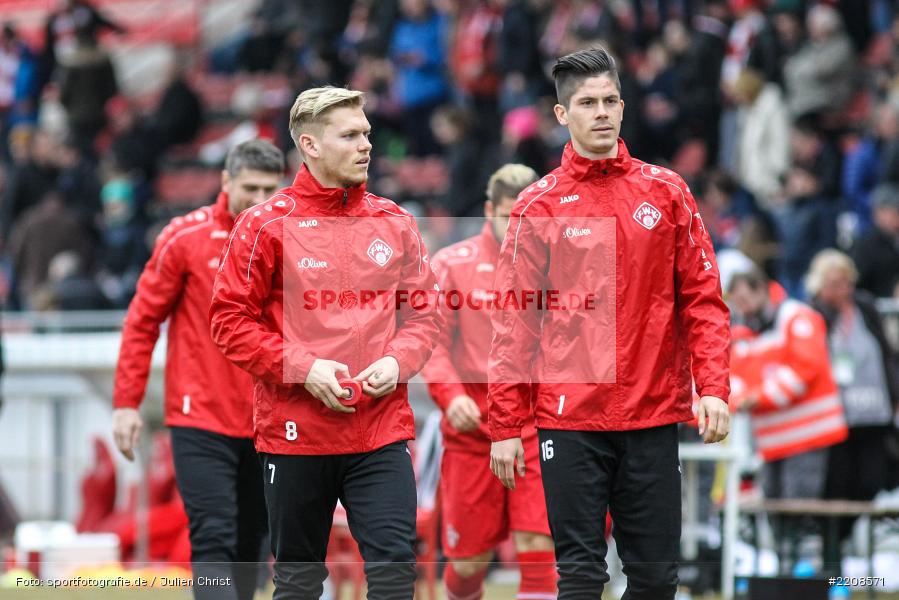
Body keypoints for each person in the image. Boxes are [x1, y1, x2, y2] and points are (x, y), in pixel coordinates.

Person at [487, 47, 731, 600]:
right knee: (580, 576)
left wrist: (712, 387)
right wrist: (505, 426)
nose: (601, 112)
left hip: (651, 416)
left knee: (655, 580)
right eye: (586, 102)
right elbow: (514, 326)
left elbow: (704, 300)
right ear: (561, 115)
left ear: (623, 106)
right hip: (569, 420)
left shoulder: (667, 192)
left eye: (610, 100)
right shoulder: (537, 207)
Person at [209, 86, 442, 600]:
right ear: (310, 145)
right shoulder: (263, 226)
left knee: (394, 570)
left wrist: (397, 360)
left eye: (367, 134)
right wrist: (303, 368)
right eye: (350, 135)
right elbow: (228, 321)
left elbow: (426, 315)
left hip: (380, 429)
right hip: (296, 432)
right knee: (297, 580)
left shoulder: (396, 222)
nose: (366, 146)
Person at [111, 139, 285, 600]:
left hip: (267, 421)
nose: (260, 199)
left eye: (270, 188)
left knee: (254, 543)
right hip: (199, 417)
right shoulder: (184, 237)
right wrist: (126, 404)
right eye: (251, 187)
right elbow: (142, 321)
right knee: (213, 537)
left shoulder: (291, 240)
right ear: (226, 181)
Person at [422, 163, 556, 600]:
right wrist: (450, 395)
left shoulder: (559, 269)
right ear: (488, 210)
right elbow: (432, 343)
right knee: (467, 563)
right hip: (471, 428)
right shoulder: (451, 265)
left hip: (536, 426)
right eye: (509, 217)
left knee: (538, 545)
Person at [727, 267, 847, 501]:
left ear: (762, 289)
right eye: (737, 302)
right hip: (771, 440)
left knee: (798, 506)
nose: (742, 306)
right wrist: (737, 400)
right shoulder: (744, 330)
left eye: (744, 298)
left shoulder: (796, 316)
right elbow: (735, 378)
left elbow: (804, 369)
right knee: (774, 506)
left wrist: (758, 398)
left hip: (807, 432)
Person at [806, 250, 899, 519]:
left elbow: (886, 353)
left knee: (870, 480)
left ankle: (854, 537)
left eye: (846, 282)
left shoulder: (865, 308)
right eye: (835, 284)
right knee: (837, 484)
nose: (843, 290)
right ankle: (836, 544)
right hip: (836, 416)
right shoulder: (814, 315)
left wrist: (894, 394)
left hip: (873, 412)